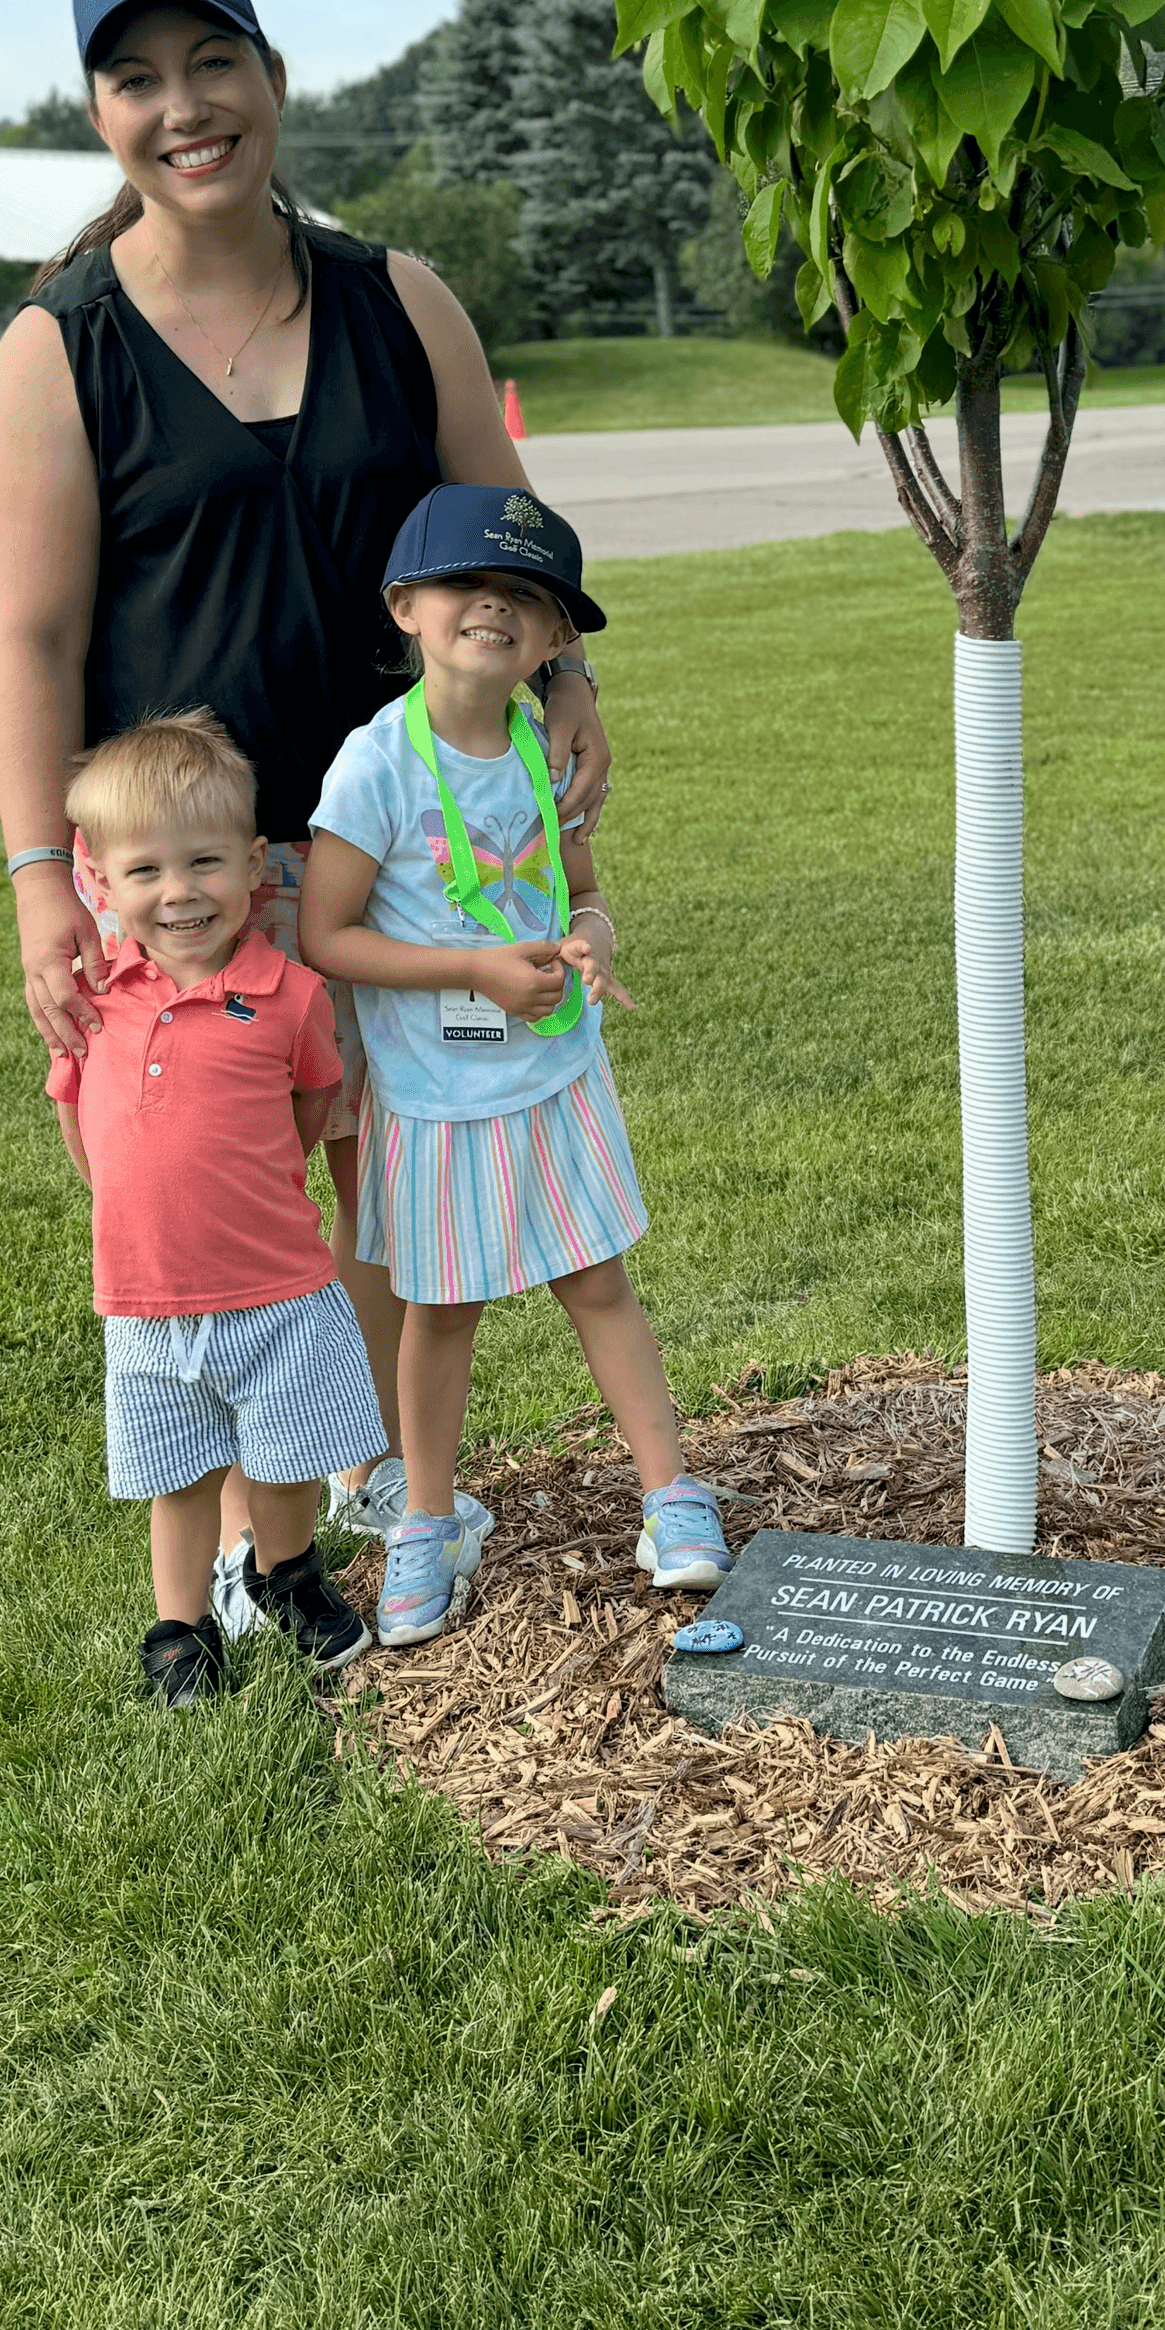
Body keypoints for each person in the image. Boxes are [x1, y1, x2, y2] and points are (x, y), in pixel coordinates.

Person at [0, 0, 610, 1557]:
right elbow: (32, 649)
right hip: (189, 870)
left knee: (394, 1191)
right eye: (138, 79)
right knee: (235, 1218)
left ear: (271, 78)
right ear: (102, 115)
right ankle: (267, 1545)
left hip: (409, 840)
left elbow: (507, 534)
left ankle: (390, 1488)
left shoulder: (400, 302)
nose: (183, 106)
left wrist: (569, 684)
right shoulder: (62, 353)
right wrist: (46, 883)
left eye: (213, 65)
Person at [299, 483, 727, 1646]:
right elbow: (324, 935)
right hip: (436, 1102)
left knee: (599, 1281)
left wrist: (589, 943)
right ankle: (425, 1526)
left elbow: (586, 898)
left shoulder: (548, 748)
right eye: (466, 584)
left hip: (555, 1081)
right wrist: (474, 971)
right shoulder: (375, 766)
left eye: (528, 598)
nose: (496, 606)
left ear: (553, 643)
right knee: (443, 1311)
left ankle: (670, 1496)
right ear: (405, 608)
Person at [47, 712, 386, 1707]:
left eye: (204, 863)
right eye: (145, 871)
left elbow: (311, 1105)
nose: (179, 892)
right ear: (103, 887)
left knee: (286, 1461)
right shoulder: (98, 1005)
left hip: (276, 1290)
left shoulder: (290, 995)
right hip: (148, 1302)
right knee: (181, 1475)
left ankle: (285, 1572)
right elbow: (84, 1128)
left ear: (253, 868)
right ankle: (181, 1628)